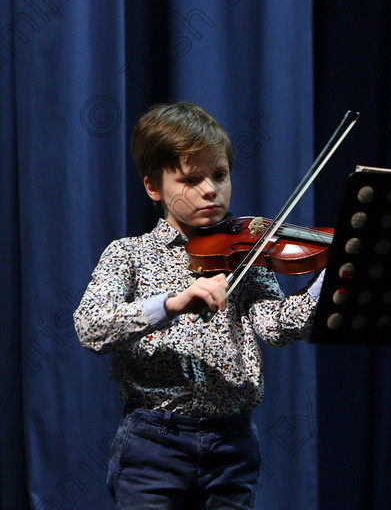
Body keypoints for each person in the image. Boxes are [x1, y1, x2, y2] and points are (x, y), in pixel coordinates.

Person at [74, 101, 324, 509]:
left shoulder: (245, 254)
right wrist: (171, 303)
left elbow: (277, 327)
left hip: (232, 443)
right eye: (191, 179)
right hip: (154, 442)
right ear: (154, 188)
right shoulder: (129, 255)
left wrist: (332, 277)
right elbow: (91, 327)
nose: (211, 189)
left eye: (220, 175)